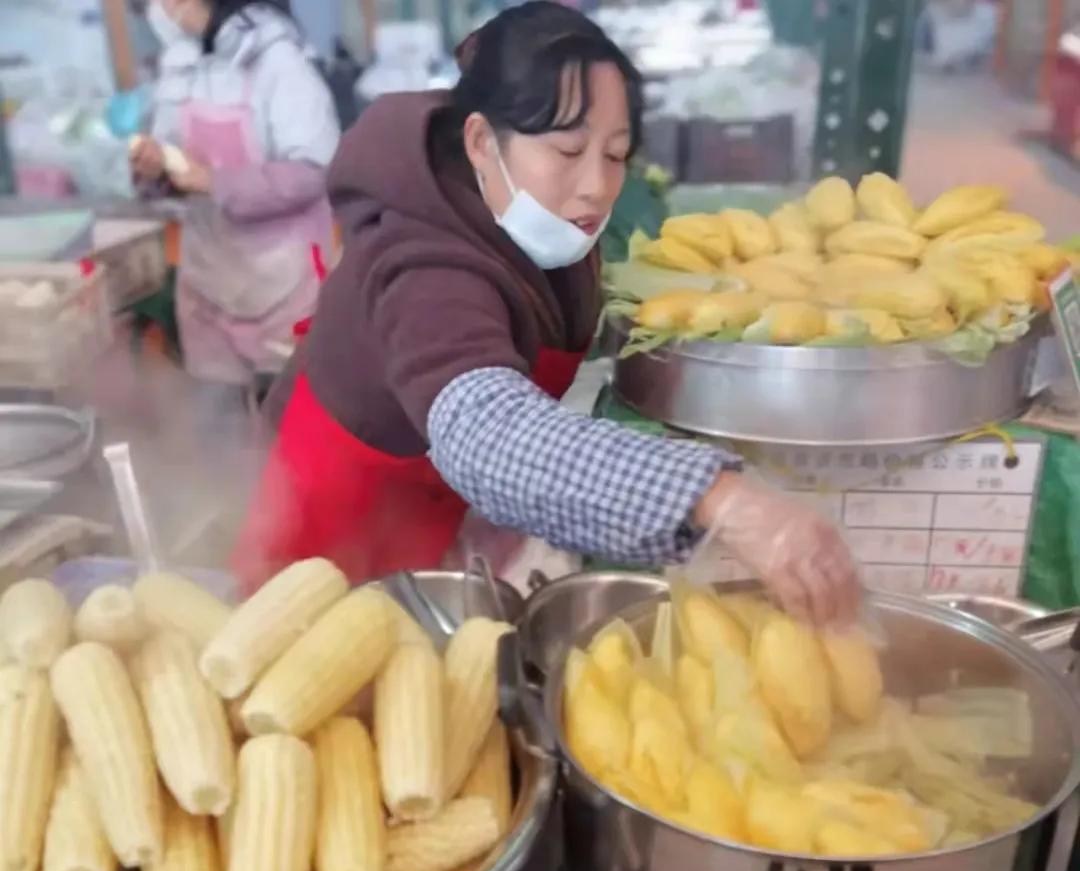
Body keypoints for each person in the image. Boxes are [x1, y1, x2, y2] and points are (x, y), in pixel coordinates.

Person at [238, 1, 859, 626]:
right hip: (330, 544)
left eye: (615, 154)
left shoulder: (537, 218)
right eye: (567, 152)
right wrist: (721, 500)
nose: (595, 186)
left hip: (436, 512)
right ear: (482, 142)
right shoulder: (425, 265)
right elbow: (486, 431)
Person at [131, 0, 340, 413]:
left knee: (288, 424)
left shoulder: (280, 61)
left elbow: (314, 171)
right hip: (208, 275)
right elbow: (173, 160)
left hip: (282, 284)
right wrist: (155, 172)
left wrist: (215, 180)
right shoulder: (180, 65)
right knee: (217, 429)